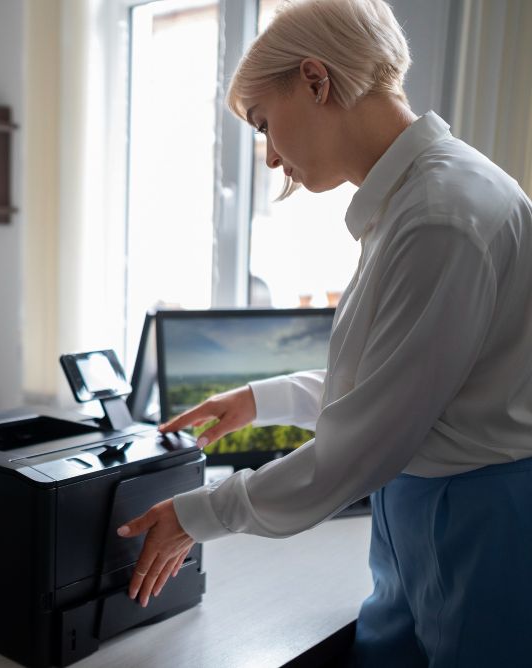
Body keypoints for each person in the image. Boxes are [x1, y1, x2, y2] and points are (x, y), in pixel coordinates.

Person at [117, 0, 532, 664]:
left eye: (264, 125)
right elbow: (403, 381)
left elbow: (365, 443)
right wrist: (263, 399)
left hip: (475, 517)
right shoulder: (411, 203)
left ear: (315, 80)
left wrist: (199, 514)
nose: (272, 157)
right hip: (424, 505)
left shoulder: (442, 215)